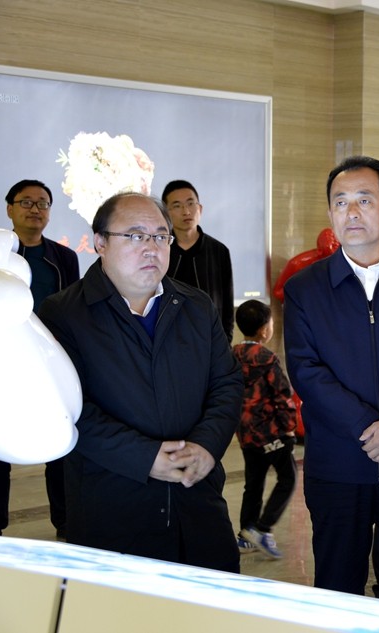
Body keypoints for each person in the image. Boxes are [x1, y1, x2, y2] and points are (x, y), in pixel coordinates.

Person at [37, 192, 242, 572]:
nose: (151, 248)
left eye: (160, 236)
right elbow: (68, 409)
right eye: (135, 236)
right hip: (113, 508)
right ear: (100, 242)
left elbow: (226, 383)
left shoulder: (196, 306)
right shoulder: (64, 314)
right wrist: (144, 457)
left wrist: (207, 445)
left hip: (197, 498)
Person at [283, 156, 379, 607]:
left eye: (364, 200)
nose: (351, 212)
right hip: (338, 465)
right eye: (341, 202)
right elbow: (306, 370)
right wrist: (366, 428)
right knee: (338, 591)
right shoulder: (305, 288)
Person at [0, 179, 79, 541]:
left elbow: (73, 306)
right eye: (26, 202)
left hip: (48, 361)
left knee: (59, 446)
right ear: (10, 208)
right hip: (2, 363)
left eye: (43, 203)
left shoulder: (63, 257)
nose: (35, 209)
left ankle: (65, 522)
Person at [233, 299, 298, 560]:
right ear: (264, 330)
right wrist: (289, 427)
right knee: (289, 478)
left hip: (245, 432)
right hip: (271, 432)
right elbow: (282, 394)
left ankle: (245, 535)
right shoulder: (267, 358)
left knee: (253, 483)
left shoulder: (232, 355)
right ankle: (262, 529)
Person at [161, 180, 235, 341]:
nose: (186, 211)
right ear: (165, 213)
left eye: (190, 203)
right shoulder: (159, 249)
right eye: (177, 206)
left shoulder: (218, 251)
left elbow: (227, 305)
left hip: (208, 337)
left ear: (200, 208)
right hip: (168, 337)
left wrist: (225, 343)